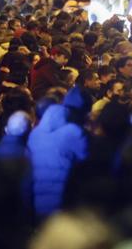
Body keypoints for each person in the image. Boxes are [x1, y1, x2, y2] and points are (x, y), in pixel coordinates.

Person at [27, 87, 90, 220]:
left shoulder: (36, 133)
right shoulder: (74, 132)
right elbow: (88, 162)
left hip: (36, 204)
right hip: (64, 205)